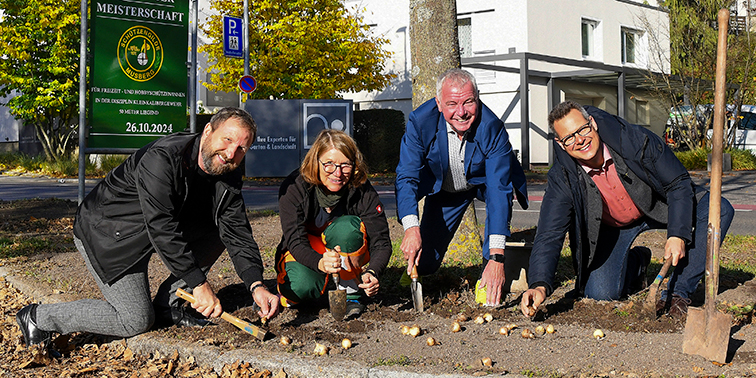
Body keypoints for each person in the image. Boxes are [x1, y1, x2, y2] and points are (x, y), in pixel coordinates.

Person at [16, 107, 280, 348]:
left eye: (242, 148)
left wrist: (256, 284)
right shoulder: (163, 158)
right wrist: (198, 284)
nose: (232, 153)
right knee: (135, 320)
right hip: (110, 234)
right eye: (228, 140)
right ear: (208, 130)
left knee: (219, 229)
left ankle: (169, 306)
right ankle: (38, 317)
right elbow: (161, 226)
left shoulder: (229, 170)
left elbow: (236, 228)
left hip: (153, 231)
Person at [520, 101, 735, 318]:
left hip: (657, 204)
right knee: (600, 293)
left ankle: (677, 291)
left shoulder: (633, 139)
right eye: (569, 138)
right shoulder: (562, 176)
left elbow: (678, 183)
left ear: (592, 123)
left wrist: (678, 233)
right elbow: (549, 233)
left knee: (719, 209)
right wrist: (539, 284)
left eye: (582, 130)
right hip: (611, 227)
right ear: (560, 143)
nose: (580, 140)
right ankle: (636, 264)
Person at [395, 68, 528, 306]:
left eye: (468, 102)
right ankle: (419, 266)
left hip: (485, 182)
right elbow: (407, 176)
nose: (461, 112)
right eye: (452, 103)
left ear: (477, 98)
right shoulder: (419, 122)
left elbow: (498, 189)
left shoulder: (491, 126)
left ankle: (489, 276)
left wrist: (497, 259)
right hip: (444, 188)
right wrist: (410, 227)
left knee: (497, 219)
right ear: (438, 103)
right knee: (425, 261)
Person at [275, 129, 391, 318]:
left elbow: (382, 241)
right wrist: (319, 262)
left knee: (346, 228)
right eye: (329, 164)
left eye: (345, 165)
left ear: (354, 165)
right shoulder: (294, 187)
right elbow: (295, 240)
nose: (337, 173)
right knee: (299, 289)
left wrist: (373, 272)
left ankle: (351, 292)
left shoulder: (362, 189)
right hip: (307, 247)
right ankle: (299, 287)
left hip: (342, 244)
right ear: (316, 161)